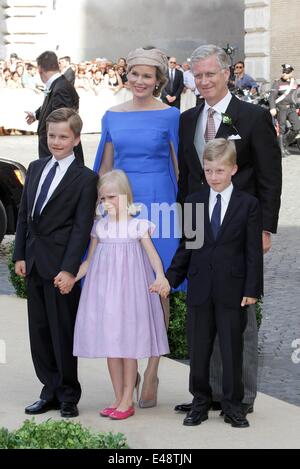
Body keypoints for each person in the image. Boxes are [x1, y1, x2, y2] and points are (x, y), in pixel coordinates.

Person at [174, 44, 282, 416]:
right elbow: (188, 178)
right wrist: (187, 228)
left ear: (227, 75)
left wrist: (265, 228)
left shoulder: (251, 117)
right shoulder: (188, 119)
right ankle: (206, 393)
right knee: (203, 311)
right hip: (200, 227)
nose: (203, 82)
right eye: (198, 75)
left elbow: (270, 176)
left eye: (210, 74)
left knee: (239, 315)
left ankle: (240, 396)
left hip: (240, 229)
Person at [93, 46, 183, 409]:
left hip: (162, 204)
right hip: (122, 205)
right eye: (135, 74)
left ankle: (154, 367)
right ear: (126, 76)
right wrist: (101, 213)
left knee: (158, 287)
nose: (140, 81)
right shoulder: (112, 115)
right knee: (125, 286)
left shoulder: (172, 115)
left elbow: (181, 168)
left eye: (148, 75)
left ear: (158, 79)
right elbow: (105, 168)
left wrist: (189, 220)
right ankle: (130, 371)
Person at [153, 139, 263, 427]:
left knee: (231, 350)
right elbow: (187, 247)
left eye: (220, 171)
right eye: (209, 170)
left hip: (233, 290)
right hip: (200, 289)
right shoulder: (194, 202)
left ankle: (233, 405)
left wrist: (252, 290)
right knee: (199, 350)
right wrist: (169, 279)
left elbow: (252, 252)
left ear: (233, 169)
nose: (214, 177)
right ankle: (200, 402)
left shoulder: (247, 204)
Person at [13, 108, 98, 418]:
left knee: (62, 331)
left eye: (64, 137)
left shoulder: (86, 178)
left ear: (76, 139)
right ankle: (48, 390)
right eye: (52, 136)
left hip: (61, 266)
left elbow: (81, 228)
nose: (56, 142)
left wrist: (69, 269)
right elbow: (24, 214)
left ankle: (67, 395)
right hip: (34, 261)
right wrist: (20, 253)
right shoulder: (35, 168)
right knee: (39, 330)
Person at [73, 170, 170, 420]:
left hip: (131, 294)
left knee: (128, 347)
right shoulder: (99, 228)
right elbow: (89, 262)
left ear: (126, 196)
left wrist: (160, 276)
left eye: (112, 197)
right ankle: (117, 397)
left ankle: (128, 399)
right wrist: (73, 277)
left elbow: (153, 257)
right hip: (105, 295)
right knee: (112, 347)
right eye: (102, 198)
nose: (107, 203)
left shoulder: (137, 226)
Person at [25, 51, 84, 162]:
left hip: (58, 156)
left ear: (40, 70)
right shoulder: (59, 84)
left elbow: (62, 122)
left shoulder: (60, 88)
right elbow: (50, 104)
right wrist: (36, 114)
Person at [269, 64, 300, 157]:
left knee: (297, 127)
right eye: (283, 72)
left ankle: (285, 143)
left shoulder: (294, 82)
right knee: (281, 129)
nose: (284, 74)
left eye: (286, 72)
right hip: (281, 108)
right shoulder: (277, 83)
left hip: (292, 108)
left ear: (291, 73)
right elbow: (272, 96)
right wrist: (272, 107)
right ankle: (281, 149)